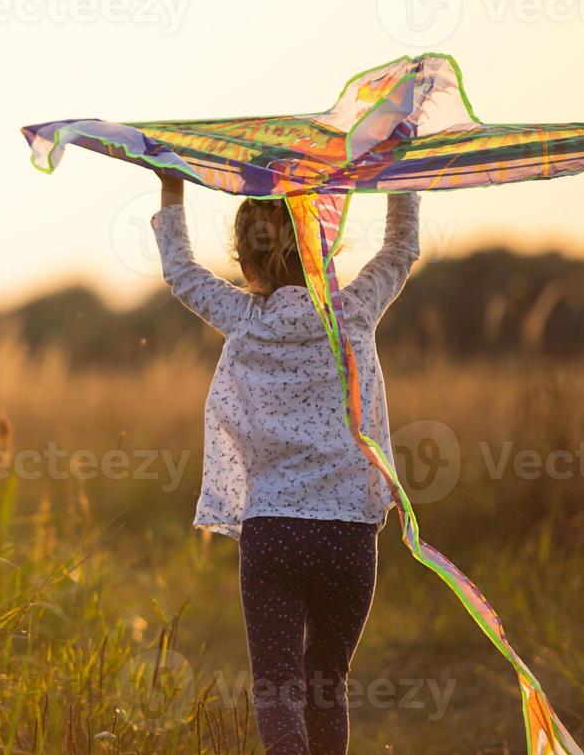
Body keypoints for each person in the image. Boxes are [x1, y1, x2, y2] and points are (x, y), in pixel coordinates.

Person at [150, 172, 421, 755]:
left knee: (277, 685)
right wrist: (404, 176)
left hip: (273, 532)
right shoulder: (354, 311)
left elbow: (180, 272)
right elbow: (401, 248)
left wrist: (173, 186)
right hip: (349, 536)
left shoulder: (245, 317)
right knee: (327, 681)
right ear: (323, 246)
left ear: (246, 258)